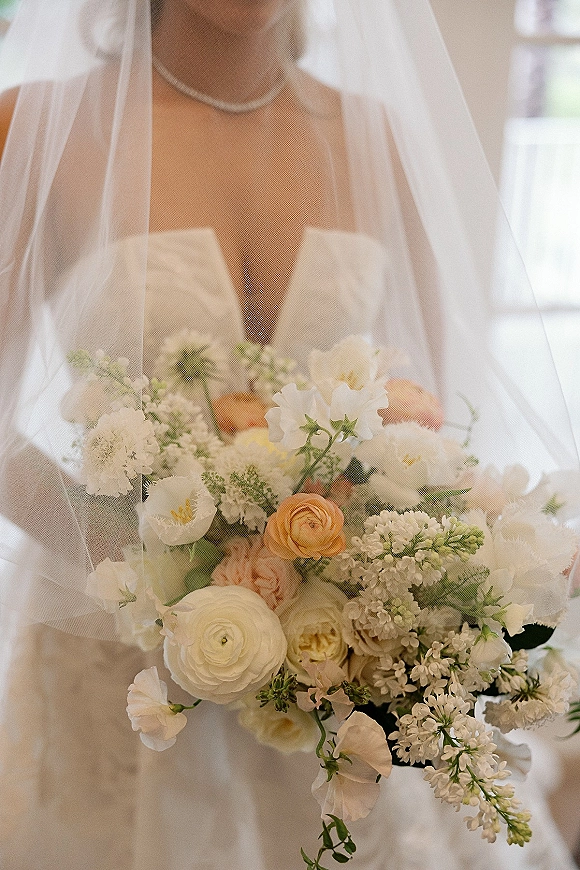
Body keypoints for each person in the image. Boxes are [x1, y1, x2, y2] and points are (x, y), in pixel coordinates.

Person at [0, 1, 578, 868]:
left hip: (343, 661)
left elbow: (425, 415)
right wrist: (147, 571)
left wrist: (377, 585)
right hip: (125, 660)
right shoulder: (36, 127)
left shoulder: (376, 138)